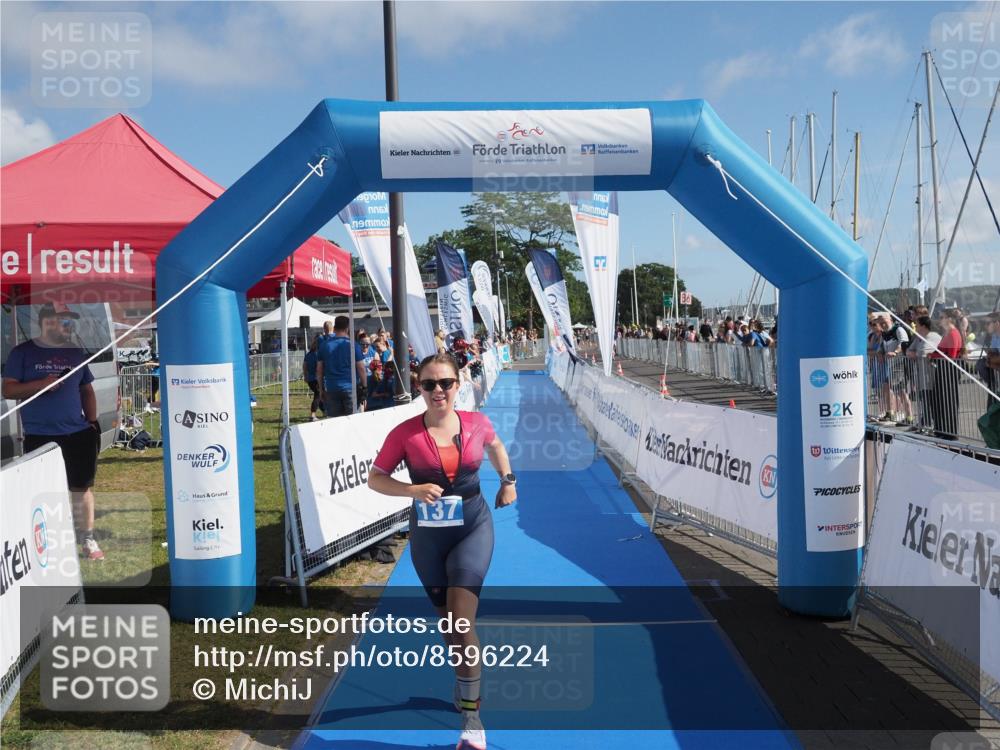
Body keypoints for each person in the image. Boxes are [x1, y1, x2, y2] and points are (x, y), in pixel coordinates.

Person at [368, 352, 516, 750]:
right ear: (419, 388)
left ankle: (472, 718)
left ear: (458, 384)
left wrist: (508, 481)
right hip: (428, 539)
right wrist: (410, 490)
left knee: (462, 623)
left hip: (472, 528)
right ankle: (464, 680)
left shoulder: (476, 423)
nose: (438, 391)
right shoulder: (404, 434)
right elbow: (376, 479)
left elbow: (497, 446)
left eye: (445, 383)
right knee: (449, 625)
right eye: (429, 384)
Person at [1, 303, 104, 560]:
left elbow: (86, 389)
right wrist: (41, 385)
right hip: (40, 436)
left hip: (78, 433)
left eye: (69, 321)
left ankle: (88, 540)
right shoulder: (22, 353)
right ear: (46, 322)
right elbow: (9, 390)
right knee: (44, 492)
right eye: (63, 320)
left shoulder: (75, 352)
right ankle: (49, 543)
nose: (68, 326)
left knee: (82, 487)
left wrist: (92, 422)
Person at [316, 316, 366, 418]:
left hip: (331, 387)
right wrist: (365, 387)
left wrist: (321, 389)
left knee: (335, 422)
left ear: (334, 327)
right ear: (347, 328)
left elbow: (319, 370)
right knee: (353, 421)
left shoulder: (324, 345)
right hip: (350, 388)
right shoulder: (353, 345)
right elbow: (361, 368)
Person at [929, 311, 963, 440]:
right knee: (941, 401)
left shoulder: (953, 334)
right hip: (942, 370)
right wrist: (933, 355)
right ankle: (943, 429)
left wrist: (933, 356)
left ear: (949, 319)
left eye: (942, 317)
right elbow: (940, 352)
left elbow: (952, 355)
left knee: (948, 400)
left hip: (948, 371)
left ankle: (950, 431)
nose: (940, 320)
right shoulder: (947, 334)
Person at [906, 316, 941, 433]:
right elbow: (908, 351)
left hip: (930, 376)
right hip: (921, 375)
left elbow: (924, 352)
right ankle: (924, 423)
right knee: (923, 400)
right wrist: (914, 353)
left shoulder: (933, 336)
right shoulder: (919, 338)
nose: (915, 327)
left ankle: (931, 425)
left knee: (931, 401)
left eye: (917, 324)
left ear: (924, 326)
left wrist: (915, 353)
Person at [302, 336, 324, 421]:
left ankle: (324, 410)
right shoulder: (318, 355)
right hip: (316, 379)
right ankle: (313, 414)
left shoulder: (308, 354)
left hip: (310, 379)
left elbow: (304, 366)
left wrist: (305, 376)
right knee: (318, 395)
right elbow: (318, 368)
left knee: (320, 395)